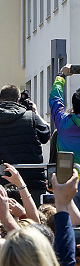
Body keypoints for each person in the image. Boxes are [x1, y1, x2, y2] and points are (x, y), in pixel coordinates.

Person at [49, 63, 80, 206]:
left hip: (68, 181)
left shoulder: (63, 123)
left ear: (73, 107)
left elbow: (55, 98)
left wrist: (61, 76)